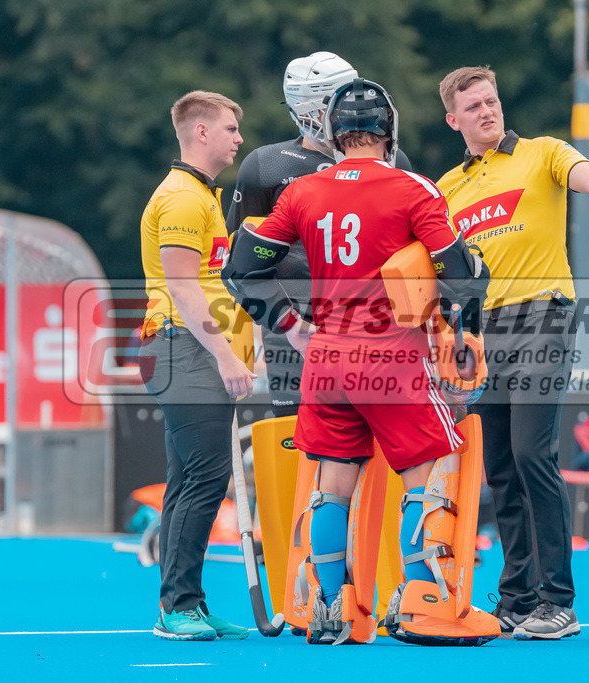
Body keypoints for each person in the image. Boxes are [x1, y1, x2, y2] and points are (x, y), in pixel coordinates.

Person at [225, 78, 497, 646]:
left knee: (333, 484)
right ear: (388, 131)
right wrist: (466, 330)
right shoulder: (413, 188)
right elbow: (461, 274)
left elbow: (242, 269)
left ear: (332, 132)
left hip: (326, 356)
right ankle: (423, 603)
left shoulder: (301, 193)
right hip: (394, 355)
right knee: (427, 477)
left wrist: (290, 326)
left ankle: (331, 606)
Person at [436, 66, 589, 640]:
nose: (488, 111)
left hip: (543, 317)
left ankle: (558, 601)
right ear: (453, 120)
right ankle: (517, 598)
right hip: (482, 333)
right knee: (499, 467)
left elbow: (583, 171)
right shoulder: (447, 188)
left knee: (531, 453)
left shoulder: (542, 152)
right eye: (474, 107)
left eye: (491, 100)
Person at [228, 51, 414, 627]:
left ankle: (376, 582)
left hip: (371, 335)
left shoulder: (392, 162)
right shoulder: (266, 166)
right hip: (302, 334)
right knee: (309, 457)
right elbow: (242, 259)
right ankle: (308, 587)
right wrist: (284, 324)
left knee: (374, 461)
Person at [138, 90, 255, 641]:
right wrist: (227, 356)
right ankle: (177, 607)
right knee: (207, 477)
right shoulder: (184, 198)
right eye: (231, 128)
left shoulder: (201, 195)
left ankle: (186, 602)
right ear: (201, 131)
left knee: (188, 478)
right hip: (181, 346)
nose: (239, 138)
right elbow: (183, 289)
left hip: (184, 347)